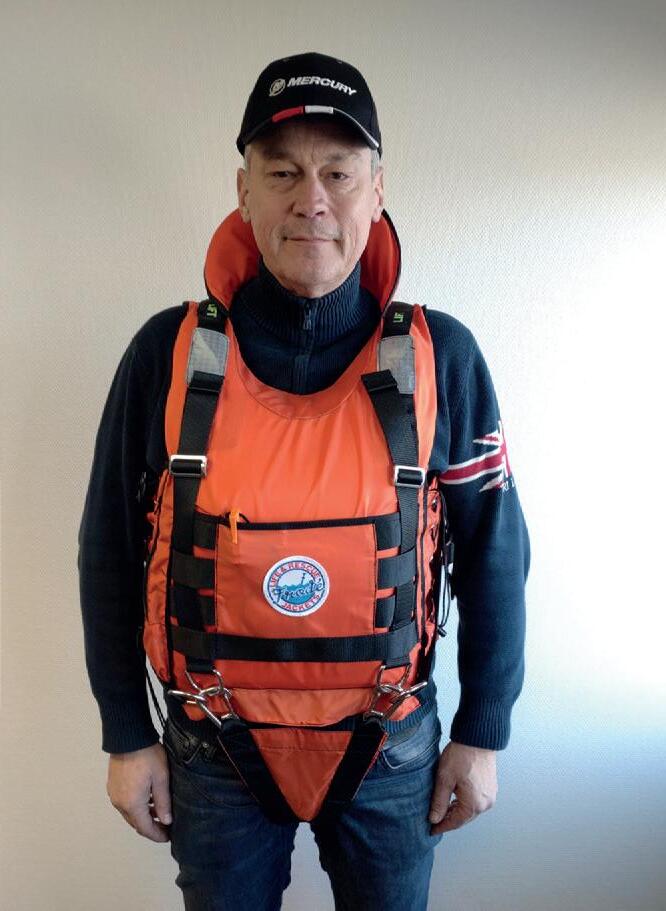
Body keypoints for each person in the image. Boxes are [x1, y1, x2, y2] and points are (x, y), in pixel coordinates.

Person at [78, 51, 530, 911]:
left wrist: (483, 729)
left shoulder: (441, 358)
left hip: (390, 748)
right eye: (282, 171)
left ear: (377, 189)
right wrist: (126, 734)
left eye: (338, 172)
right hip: (211, 750)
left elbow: (495, 553)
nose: (310, 199)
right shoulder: (167, 355)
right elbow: (108, 549)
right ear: (243, 191)